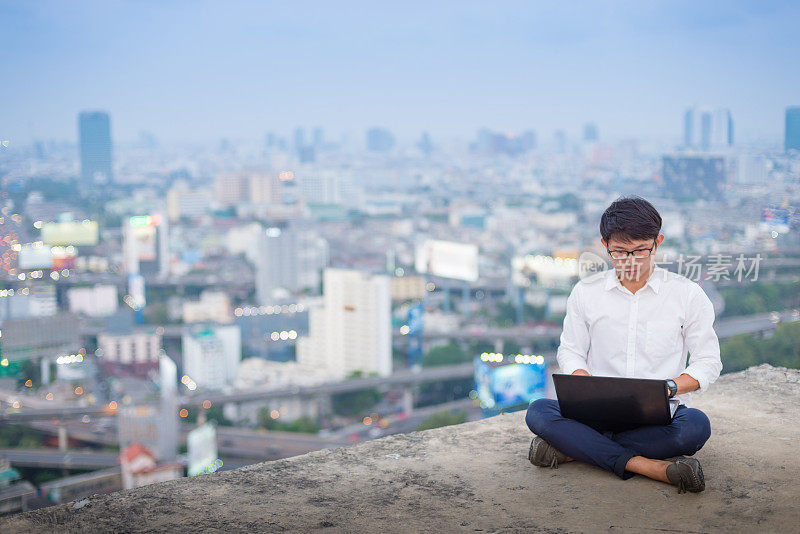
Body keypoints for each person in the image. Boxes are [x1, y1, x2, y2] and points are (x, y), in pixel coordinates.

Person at [525, 195, 722, 493]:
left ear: (658, 242)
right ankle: (652, 467)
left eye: (640, 250)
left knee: (695, 427)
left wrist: (669, 387)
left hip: (659, 415)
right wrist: (582, 381)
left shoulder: (686, 294)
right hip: (596, 412)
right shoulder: (586, 292)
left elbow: (708, 362)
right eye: (619, 252)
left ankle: (571, 450)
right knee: (538, 411)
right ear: (604, 245)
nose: (630, 261)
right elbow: (571, 350)